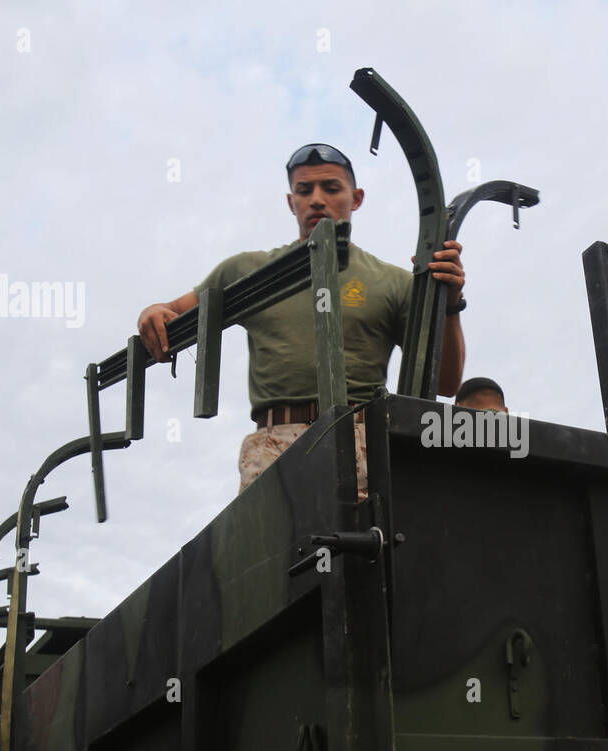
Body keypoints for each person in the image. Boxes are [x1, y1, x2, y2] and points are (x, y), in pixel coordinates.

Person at [136, 143, 467, 495]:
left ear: (356, 198)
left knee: (367, 546)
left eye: (332, 188)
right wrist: (150, 312)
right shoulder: (247, 272)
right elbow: (170, 314)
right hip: (274, 444)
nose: (317, 200)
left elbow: (446, 383)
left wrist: (449, 303)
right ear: (291, 201)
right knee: (270, 549)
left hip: (361, 441)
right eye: (304, 190)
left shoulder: (393, 281)